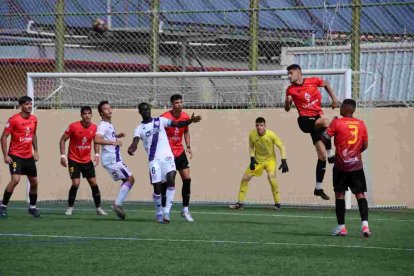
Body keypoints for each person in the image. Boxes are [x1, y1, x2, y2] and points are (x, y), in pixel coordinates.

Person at [127, 102, 201, 224]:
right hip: (154, 160)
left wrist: (190, 121)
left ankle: (167, 211)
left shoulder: (160, 120)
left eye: (148, 109)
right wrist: (132, 148)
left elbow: (177, 124)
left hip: (167, 156)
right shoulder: (139, 128)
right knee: (158, 189)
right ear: (140, 112)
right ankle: (158, 213)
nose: (146, 111)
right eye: (143, 110)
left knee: (171, 178)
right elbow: (135, 141)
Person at [284, 64, 338, 200]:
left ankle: (318, 188)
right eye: (288, 74)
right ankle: (332, 153)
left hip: (316, 119)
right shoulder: (290, 90)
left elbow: (325, 83)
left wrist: (334, 99)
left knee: (321, 156)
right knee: (327, 122)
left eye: (291, 73)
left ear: (298, 72)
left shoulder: (313, 81)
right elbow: (286, 109)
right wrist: (287, 101)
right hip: (304, 120)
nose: (289, 76)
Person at [322, 99, 371, 238]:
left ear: (345, 109)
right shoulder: (361, 124)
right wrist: (354, 154)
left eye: (341, 106)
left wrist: (329, 125)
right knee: (360, 194)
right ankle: (365, 226)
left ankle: (342, 228)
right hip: (356, 166)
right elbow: (365, 145)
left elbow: (325, 138)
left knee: (339, 195)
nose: (340, 107)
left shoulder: (337, 122)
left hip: (340, 166)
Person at [229, 117, 289, 210]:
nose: (259, 127)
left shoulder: (271, 135)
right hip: (258, 161)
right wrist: (252, 159)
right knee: (245, 178)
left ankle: (278, 204)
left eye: (261, 125)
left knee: (271, 178)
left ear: (265, 126)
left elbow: (281, 146)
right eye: (257, 125)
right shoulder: (252, 134)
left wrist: (284, 160)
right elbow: (251, 147)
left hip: (270, 161)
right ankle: (240, 203)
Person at [59, 106, 107, 216]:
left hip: (86, 161)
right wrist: (62, 156)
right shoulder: (73, 126)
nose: (87, 116)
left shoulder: (95, 128)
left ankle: (98, 208)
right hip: (74, 160)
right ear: (81, 115)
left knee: (93, 183)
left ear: (91, 115)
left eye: (89, 113)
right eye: (84, 114)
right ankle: (70, 207)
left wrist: (96, 154)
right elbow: (62, 140)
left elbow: (96, 141)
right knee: (76, 183)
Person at [0, 96, 40, 218]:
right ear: (21, 105)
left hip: (28, 156)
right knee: (15, 180)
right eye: (27, 104)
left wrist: (36, 150)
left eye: (31, 104)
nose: (29, 106)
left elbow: (33, 134)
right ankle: (3, 206)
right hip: (15, 155)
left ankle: (32, 208)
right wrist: (6, 155)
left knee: (34, 182)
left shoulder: (34, 119)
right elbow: (3, 137)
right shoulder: (14, 120)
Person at [94, 101, 135, 220]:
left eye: (110, 108)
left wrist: (117, 136)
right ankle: (117, 204)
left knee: (127, 180)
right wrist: (113, 142)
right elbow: (97, 139)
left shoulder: (108, 124)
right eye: (106, 109)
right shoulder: (103, 125)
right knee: (130, 179)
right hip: (112, 159)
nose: (109, 110)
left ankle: (118, 204)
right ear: (101, 113)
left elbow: (106, 137)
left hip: (113, 158)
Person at [160, 94, 194, 222]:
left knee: (187, 178)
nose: (179, 105)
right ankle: (164, 210)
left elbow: (186, 131)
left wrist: (188, 146)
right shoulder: (164, 117)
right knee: (168, 181)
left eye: (181, 102)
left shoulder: (185, 116)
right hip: (167, 153)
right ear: (172, 104)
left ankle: (185, 209)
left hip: (180, 152)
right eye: (176, 102)